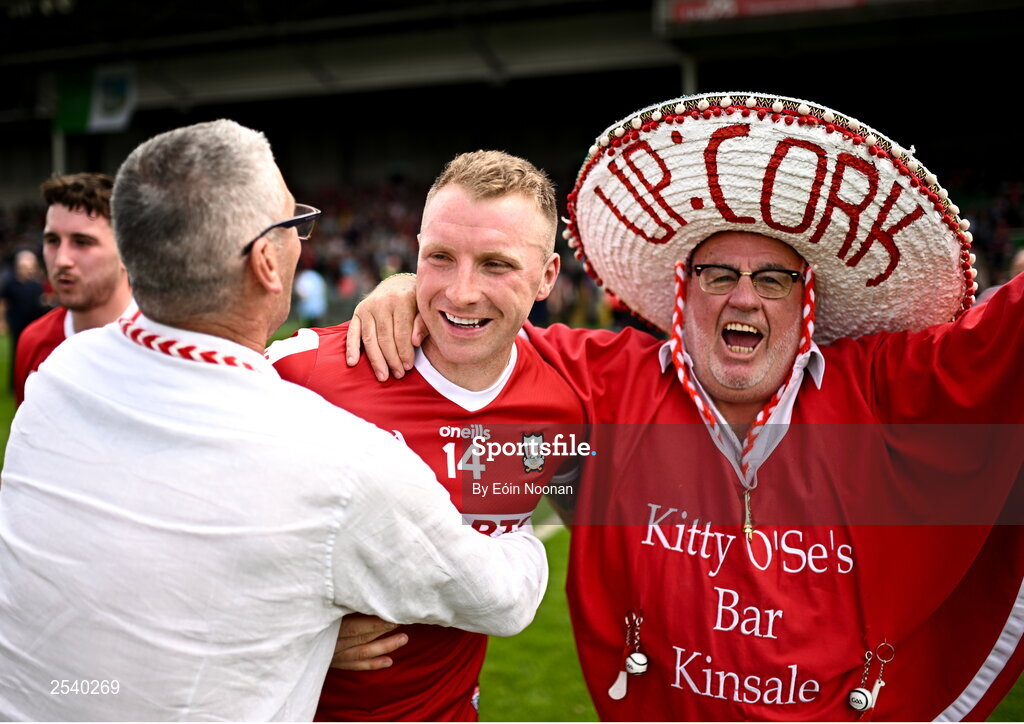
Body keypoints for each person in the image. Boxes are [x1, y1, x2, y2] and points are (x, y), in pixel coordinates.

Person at [352, 93, 1024, 720]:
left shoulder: (881, 389)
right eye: (719, 275)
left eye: (772, 279)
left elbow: (1004, 339)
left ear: (805, 298)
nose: (743, 298)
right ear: (684, 292)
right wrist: (416, 286)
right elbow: (484, 325)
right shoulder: (603, 385)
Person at [0, 120, 550, 721]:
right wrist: (518, 526)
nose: (303, 242)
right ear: (267, 261)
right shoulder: (337, 460)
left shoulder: (59, 376)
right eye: (295, 225)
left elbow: (140, 561)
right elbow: (498, 601)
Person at [268, 150, 585, 721]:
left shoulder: (563, 405)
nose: (462, 292)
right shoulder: (301, 374)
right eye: (440, 258)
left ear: (547, 277)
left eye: (497, 264)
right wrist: (293, 637)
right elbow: (182, 544)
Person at [13, 172, 134, 405]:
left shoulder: (167, 343)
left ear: (127, 250)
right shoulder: (34, 341)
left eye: (82, 242)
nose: (61, 260)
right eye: (52, 241)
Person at [0, 248, 47, 392]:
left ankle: (32, 380)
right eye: (25, 266)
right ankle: (13, 385)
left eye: (30, 266)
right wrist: (2, 321)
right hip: (16, 323)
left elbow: (41, 303)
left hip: (33, 324)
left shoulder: (37, 285)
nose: (28, 269)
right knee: (16, 353)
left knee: (34, 354)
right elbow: (3, 303)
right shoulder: (11, 284)